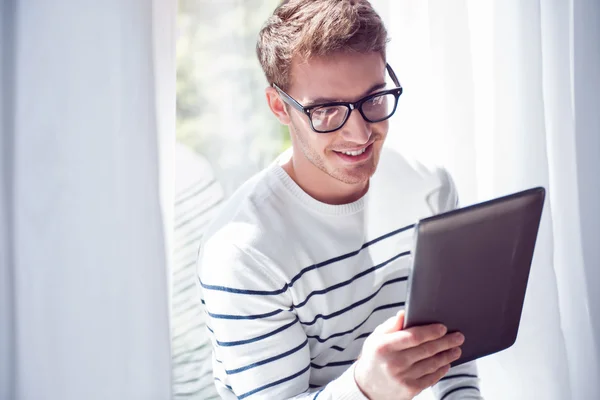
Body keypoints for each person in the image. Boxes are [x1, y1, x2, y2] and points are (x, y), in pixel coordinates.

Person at [197, 0, 483, 398]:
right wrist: (367, 387)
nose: (360, 133)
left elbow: (452, 362)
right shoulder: (243, 254)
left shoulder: (430, 189)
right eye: (329, 110)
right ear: (280, 107)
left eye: (374, 99)